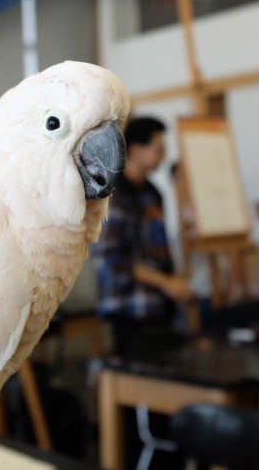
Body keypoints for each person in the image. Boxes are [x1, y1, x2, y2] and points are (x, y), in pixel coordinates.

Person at [92, 117, 194, 358]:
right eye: (159, 149)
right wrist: (165, 282)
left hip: (158, 305)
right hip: (129, 308)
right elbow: (110, 258)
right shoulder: (114, 195)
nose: (164, 156)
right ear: (136, 150)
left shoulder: (152, 193)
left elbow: (159, 247)